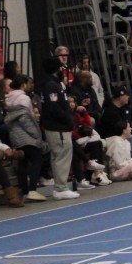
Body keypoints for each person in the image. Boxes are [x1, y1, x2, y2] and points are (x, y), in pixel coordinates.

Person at [38, 55, 79, 200]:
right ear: (56, 68)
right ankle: (61, 188)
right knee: (61, 156)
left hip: (56, 126)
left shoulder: (52, 84)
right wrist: (67, 118)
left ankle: (59, 187)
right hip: (58, 127)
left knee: (58, 156)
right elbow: (53, 107)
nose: (62, 69)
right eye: (60, 66)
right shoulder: (51, 85)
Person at [4, 78, 48, 200]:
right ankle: (32, 190)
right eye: (29, 83)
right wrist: (35, 134)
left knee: (22, 162)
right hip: (26, 135)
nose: (31, 85)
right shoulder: (24, 98)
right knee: (37, 158)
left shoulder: (9, 98)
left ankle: (24, 192)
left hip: (15, 134)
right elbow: (24, 118)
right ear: (23, 85)